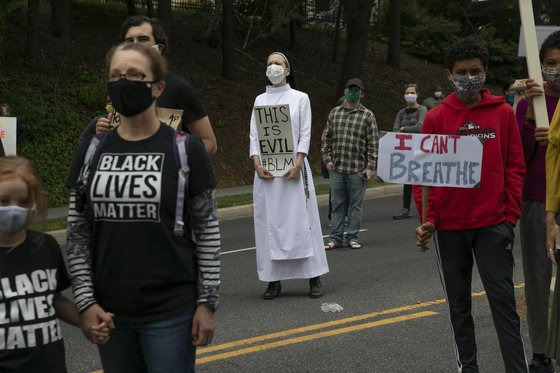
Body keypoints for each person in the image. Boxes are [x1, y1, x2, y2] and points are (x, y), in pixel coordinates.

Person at [66, 43, 220, 372]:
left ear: (158, 87)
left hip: (171, 313)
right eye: (116, 76)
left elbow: (207, 231)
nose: (125, 82)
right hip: (110, 314)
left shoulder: (186, 150)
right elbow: (78, 233)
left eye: (136, 75)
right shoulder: (92, 150)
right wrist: (86, 301)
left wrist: (207, 303)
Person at [415, 37, 528, 372]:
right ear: (449, 75)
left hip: (493, 226)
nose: (469, 78)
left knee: (504, 306)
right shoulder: (436, 118)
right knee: (459, 308)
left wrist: (509, 216)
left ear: (485, 71)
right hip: (449, 228)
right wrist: (428, 219)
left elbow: (515, 167)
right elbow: (426, 175)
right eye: (461, 72)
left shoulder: (503, 113)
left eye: (475, 71)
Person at [0, 156, 110, 372]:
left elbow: (56, 300)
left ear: (35, 203)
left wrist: (87, 321)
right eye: (4, 200)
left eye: (23, 202)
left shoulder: (45, 246)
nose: (14, 208)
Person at [249, 51, 329, 300]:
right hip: (267, 175)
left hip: (294, 170)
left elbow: (305, 133)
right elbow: (254, 135)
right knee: (268, 226)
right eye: (269, 63)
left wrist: (299, 161)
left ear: (287, 70)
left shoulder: (300, 98)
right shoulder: (260, 100)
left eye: (278, 63)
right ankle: (273, 281)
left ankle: (313, 276)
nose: (273, 67)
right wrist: (256, 163)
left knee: (303, 223)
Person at [83, 15, 217, 155]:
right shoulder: (118, 86)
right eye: (129, 41)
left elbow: (210, 143)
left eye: (143, 39)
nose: (135, 45)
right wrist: (102, 132)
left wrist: (175, 159)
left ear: (159, 48)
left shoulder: (179, 88)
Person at [515, 30, 560, 373]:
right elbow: (520, 156)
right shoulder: (526, 104)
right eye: (551, 64)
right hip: (534, 199)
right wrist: (530, 114)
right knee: (537, 278)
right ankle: (541, 352)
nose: (555, 69)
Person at [322, 78, 379, 250]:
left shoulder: (368, 115)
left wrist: (370, 167)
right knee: (337, 204)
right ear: (345, 90)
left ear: (362, 93)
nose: (353, 92)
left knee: (355, 205)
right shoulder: (335, 112)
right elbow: (327, 137)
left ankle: (353, 236)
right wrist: (327, 159)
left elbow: (373, 143)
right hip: (337, 168)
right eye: (350, 89)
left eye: (357, 90)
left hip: (357, 169)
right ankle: (335, 238)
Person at [392, 83, 427, 220]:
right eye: (407, 93)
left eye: (412, 92)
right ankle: (406, 208)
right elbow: (395, 129)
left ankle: (427, 207)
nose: (409, 95)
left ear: (417, 95)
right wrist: (399, 132)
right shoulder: (401, 113)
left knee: (423, 179)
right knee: (407, 179)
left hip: (420, 149)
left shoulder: (422, 109)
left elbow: (420, 127)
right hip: (405, 150)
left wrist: (404, 130)